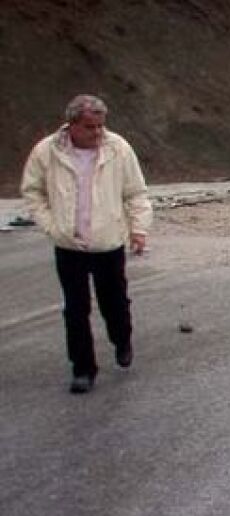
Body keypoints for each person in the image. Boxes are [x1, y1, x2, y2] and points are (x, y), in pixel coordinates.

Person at [20, 94, 153, 394]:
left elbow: (136, 192)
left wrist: (139, 229)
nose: (97, 133)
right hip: (69, 245)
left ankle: (122, 340)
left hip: (108, 243)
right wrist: (50, 226)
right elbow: (33, 191)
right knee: (75, 308)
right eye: (90, 127)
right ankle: (83, 368)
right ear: (72, 125)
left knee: (114, 302)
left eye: (100, 126)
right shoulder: (47, 152)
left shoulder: (118, 148)